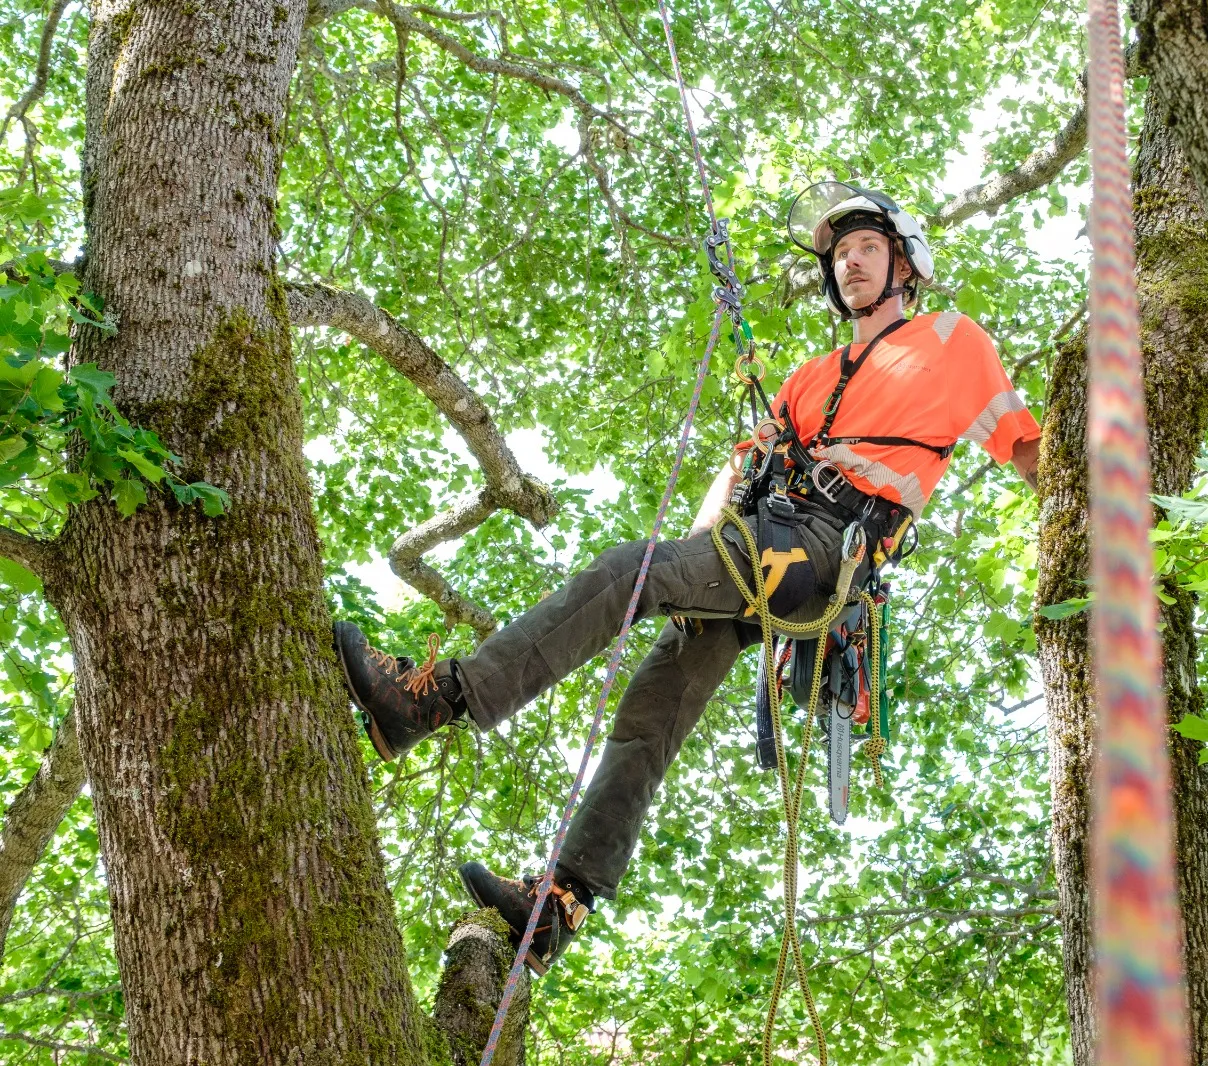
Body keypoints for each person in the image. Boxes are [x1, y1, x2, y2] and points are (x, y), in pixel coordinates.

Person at [333, 181, 1042, 975]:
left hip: (823, 547)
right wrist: (689, 561)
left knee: (627, 571)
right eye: (840, 254)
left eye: (868, 248)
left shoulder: (954, 344)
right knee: (652, 708)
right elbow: (746, 468)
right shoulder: (810, 376)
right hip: (759, 542)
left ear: (905, 263)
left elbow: (1028, 452)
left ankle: (434, 699)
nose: (850, 264)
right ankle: (560, 905)